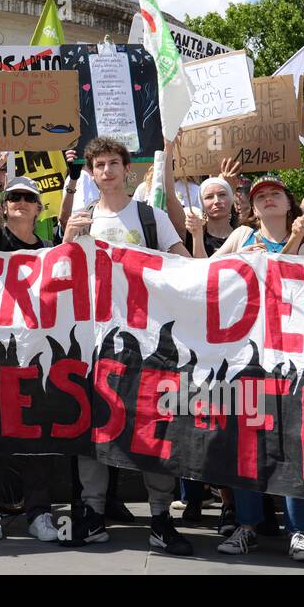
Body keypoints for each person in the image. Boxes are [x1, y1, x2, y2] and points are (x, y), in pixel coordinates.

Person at [60, 136, 193, 555]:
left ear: (126, 169)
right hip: (95, 344)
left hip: (149, 344)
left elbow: (184, 264)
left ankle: (160, 519)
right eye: (99, 164)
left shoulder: (150, 218)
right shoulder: (81, 220)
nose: (107, 171)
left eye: (113, 163)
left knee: (153, 429)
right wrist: (68, 238)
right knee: (94, 429)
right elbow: (61, 277)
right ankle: (93, 515)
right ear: (92, 172)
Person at [209, 175, 304, 563]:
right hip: (246, 356)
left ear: (290, 205)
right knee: (247, 443)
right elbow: (204, 276)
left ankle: (299, 531)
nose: (268, 199)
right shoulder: (241, 238)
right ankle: (249, 524)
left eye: (275, 194)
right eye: (260, 197)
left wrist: (289, 243)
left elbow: (290, 283)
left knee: (294, 444)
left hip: (291, 357)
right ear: (252, 210)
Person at [0, 144, 61, 542]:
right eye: (14, 197)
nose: (21, 203)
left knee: (38, 438)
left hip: (37, 358)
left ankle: (39, 512)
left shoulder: (50, 253)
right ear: (3, 207)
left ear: (39, 209)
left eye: (29, 198)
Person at [184, 175, 236, 258]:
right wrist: (197, 236)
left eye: (222, 195)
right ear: (202, 204)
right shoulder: (192, 237)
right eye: (209, 197)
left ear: (231, 200)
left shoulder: (245, 235)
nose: (217, 201)